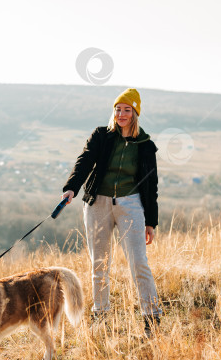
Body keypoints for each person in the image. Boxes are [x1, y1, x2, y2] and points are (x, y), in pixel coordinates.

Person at [61, 88, 162, 336]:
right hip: (98, 204)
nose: (121, 114)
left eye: (127, 109)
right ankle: (100, 316)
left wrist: (151, 221)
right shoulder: (101, 136)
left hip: (131, 205)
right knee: (99, 263)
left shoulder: (146, 145)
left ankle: (152, 318)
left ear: (135, 113)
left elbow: (151, 184)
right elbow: (84, 161)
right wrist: (71, 188)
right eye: (118, 109)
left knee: (139, 262)